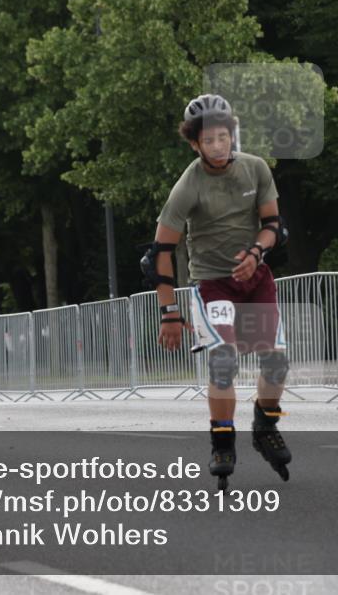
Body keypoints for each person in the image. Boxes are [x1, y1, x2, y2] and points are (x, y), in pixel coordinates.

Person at [141, 94, 292, 489]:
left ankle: (264, 423)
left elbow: (273, 224)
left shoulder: (256, 169)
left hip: (255, 279)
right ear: (195, 144)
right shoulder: (188, 185)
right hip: (213, 285)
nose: (219, 146)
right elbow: (160, 252)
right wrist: (170, 313)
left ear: (232, 134)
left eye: (224, 137)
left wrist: (257, 252)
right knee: (224, 361)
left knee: (276, 364)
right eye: (209, 141)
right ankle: (222, 440)